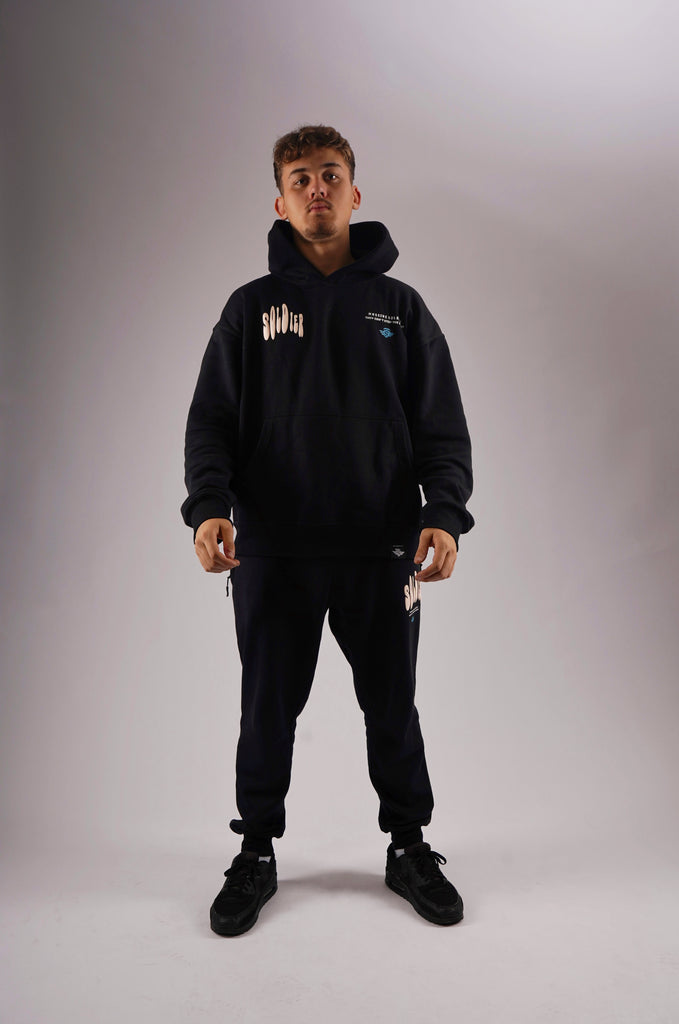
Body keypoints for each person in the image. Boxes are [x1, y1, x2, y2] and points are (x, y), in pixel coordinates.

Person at [180, 125, 475, 935]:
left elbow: (442, 429)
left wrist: (442, 514)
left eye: (331, 174)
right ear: (280, 203)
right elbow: (210, 423)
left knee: (393, 706)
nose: (317, 188)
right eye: (301, 178)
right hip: (273, 549)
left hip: (380, 548)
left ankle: (408, 845)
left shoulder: (400, 309)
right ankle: (256, 851)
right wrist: (209, 505)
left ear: (354, 193)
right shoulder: (249, 309)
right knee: (265, 709)